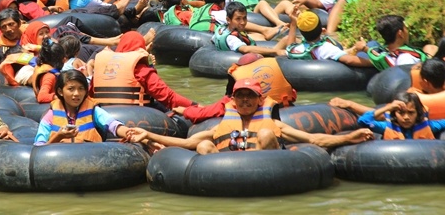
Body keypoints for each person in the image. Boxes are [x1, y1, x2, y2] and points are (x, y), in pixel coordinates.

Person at [126, 78, 374, 153]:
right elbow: (188, 143)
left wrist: (348, 138)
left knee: (266, 134)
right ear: (232, 100)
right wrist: (148, 133)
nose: (245, 100)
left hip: (265, 169)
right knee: (202, 144)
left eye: (250, 96)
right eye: (240, 96)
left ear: (259, 100)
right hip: (226, 172)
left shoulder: (274, 124)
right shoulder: (221, 126)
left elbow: (315, 140)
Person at [90, 31, 196, 111]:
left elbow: (90, 94)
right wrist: (194, 106)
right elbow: (168, 97)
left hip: (104, 115)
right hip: (135, 116)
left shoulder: (100, 68)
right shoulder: (141, 70)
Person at [34, 70, 131, 145]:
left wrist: (129, 133)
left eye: (81, 89)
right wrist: (58, 137)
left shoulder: (93, 111)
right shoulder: (50, 116)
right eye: (71, 89)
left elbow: (113, 125)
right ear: (60, 92)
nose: (77, 94)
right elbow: (39, 148)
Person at [285, 9, 373, 67]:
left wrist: (293, 23)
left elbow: (289, 47)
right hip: (333, 77)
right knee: (372, 44)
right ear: (322, 30)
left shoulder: (297, 49)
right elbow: (349, 60)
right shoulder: (326, 48)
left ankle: (352, 49)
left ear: (301, 32)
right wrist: (373, 63)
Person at [358, 15, 435, 70]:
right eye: (406, 29)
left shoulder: (384, 55)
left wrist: (364, 48)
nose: (408, 32)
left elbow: (374, 54)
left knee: (429, 47)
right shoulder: (406, 57)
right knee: (430, 48)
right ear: (400, 33)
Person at [358, 91, 445, 139]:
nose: (406, 117)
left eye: (411, 113)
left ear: (418, 113)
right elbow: (364, 121)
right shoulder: (386, 127)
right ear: (394, 114)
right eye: (401, 113)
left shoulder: (429, 126)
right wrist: (387, 108)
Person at [213, 2, 288, 57]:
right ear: (228, 20)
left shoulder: (222, 28)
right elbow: (245, 49)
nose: (242, 22)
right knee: (286, 42)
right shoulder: (231, 38)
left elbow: (213, 39)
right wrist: (276, 51)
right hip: (252, 62)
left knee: (287, 39)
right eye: (238, 19)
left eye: (244, 18)